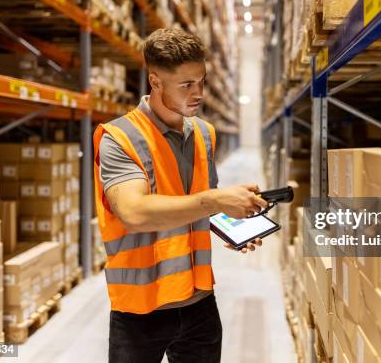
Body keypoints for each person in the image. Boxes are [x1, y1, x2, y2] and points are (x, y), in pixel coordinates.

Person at [93, 28, 268, 363]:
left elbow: (201, 200)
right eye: (186, 84)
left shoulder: (204, 133)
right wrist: (216, 201)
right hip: (141, 310)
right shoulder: (119, 137)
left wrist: (230, 224)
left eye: (201, 80)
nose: (198, 92)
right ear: (155, 82)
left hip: (199, 303)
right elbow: (134, 212)